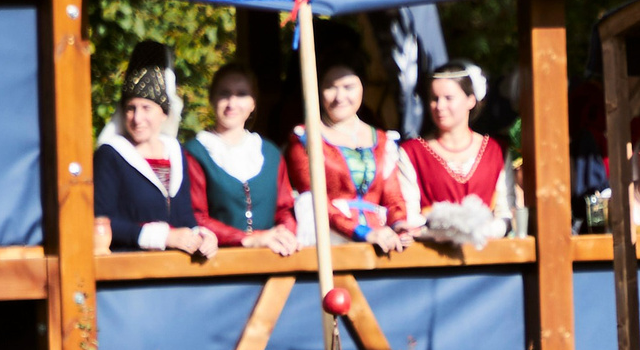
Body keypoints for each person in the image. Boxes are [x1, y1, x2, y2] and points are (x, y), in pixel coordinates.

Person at [287, 62, 420, 254]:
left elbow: (393, 197)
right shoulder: (305, 138)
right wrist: (362, 232)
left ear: (362, 89)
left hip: (381, 241)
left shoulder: (383, 140)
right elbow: (313, 201)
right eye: (330, 87)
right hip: (330, 242)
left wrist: (399, 225)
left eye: (348, 87)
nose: (340, 97)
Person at [96, 67, 218, 259]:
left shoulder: (175, 153)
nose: (137, 118)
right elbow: (101, 222)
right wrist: (163, 237)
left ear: (163, 113)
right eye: (130, 108)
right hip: (130, 266)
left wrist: (200, 235)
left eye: (146, 108)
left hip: (176, 267)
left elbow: (184, 215)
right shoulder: (111, 155)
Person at [185, 65, 301, 256]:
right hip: (216, 261)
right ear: (212, 99)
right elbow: (196, 216)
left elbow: (284, 209)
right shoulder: (195, 152)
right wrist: (247, 239)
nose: (232, 103)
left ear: (253, 103)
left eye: (241, 94)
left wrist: (285, 234)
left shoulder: (270, 153)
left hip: (272, 257)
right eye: (224, 94)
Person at [402, 61, 514, 243]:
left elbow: (505, 211)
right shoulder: (412, 152)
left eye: (448, 98)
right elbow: (409, 215)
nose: (439, 106)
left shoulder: (496, 150)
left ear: (470, 100)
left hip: (487, 253)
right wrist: (445, 231)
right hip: (432, 256)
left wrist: (484, 231)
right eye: (434, 98)